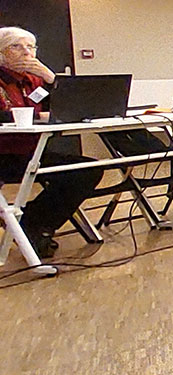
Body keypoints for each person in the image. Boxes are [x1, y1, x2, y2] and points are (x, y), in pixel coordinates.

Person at [0, 27, 103, 257]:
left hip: (31, 153)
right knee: (76, 173)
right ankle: (33, 227)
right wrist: (37, 116)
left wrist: (51, 78)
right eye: (16, 47)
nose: (26, 52)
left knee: (88, 170)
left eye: (30, 47)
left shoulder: (34, 80)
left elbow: (72, 105)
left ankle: (31, 223)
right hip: (4, 154)